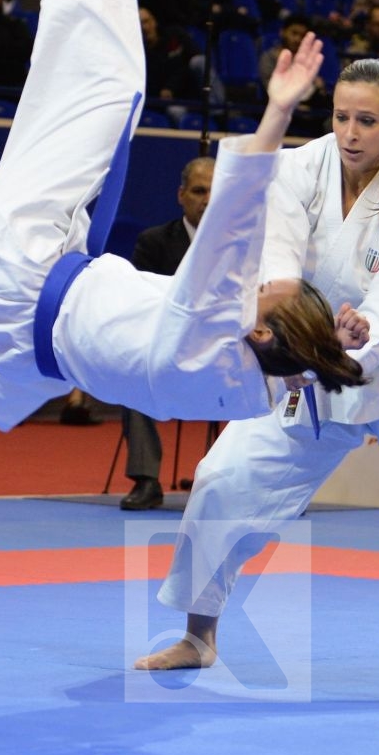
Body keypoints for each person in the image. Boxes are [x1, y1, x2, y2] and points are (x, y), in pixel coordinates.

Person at [0, 0, 364, 435]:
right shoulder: (251, 391)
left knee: (112, 95)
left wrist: (277, 112)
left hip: (17, 266)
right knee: (14, 370)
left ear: (256, 330)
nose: (256, 284)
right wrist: (325, 346)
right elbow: (288, 365)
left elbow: (235, 219)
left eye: (261, 293)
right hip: (25, 350)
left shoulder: (203, 327)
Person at [139, 55, 379, 709]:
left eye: (367, 121)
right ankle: (199, 636)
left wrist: (358, 334)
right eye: (342, 116)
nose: (349, 132)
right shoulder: (300, 167)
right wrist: (292, 326)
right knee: (223, 474)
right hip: (313, 355)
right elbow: (281, 259)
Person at [118, 156, 214, 510]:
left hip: (225, 354)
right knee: (133, 375)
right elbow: (142, 305)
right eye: (199, 191)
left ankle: (254, 484)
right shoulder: (154, 242)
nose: (208, 200)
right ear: (181, 195)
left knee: (276, 378)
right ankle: (147, 481)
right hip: (168, 351)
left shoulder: (242, 244)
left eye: (216, 192)